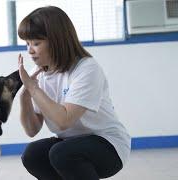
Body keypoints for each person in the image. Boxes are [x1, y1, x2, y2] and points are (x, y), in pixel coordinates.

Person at [17, 6, 131, 180]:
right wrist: (24, 96)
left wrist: (33, 88)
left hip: (109, 145)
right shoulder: (38, 75)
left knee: (62, 153)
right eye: (28, 44)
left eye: (36, 43)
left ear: (56, 41)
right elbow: (32, 130)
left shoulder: (86, 68)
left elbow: (64, 121)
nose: (30, 50)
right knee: (33, 154)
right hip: (70, 145)